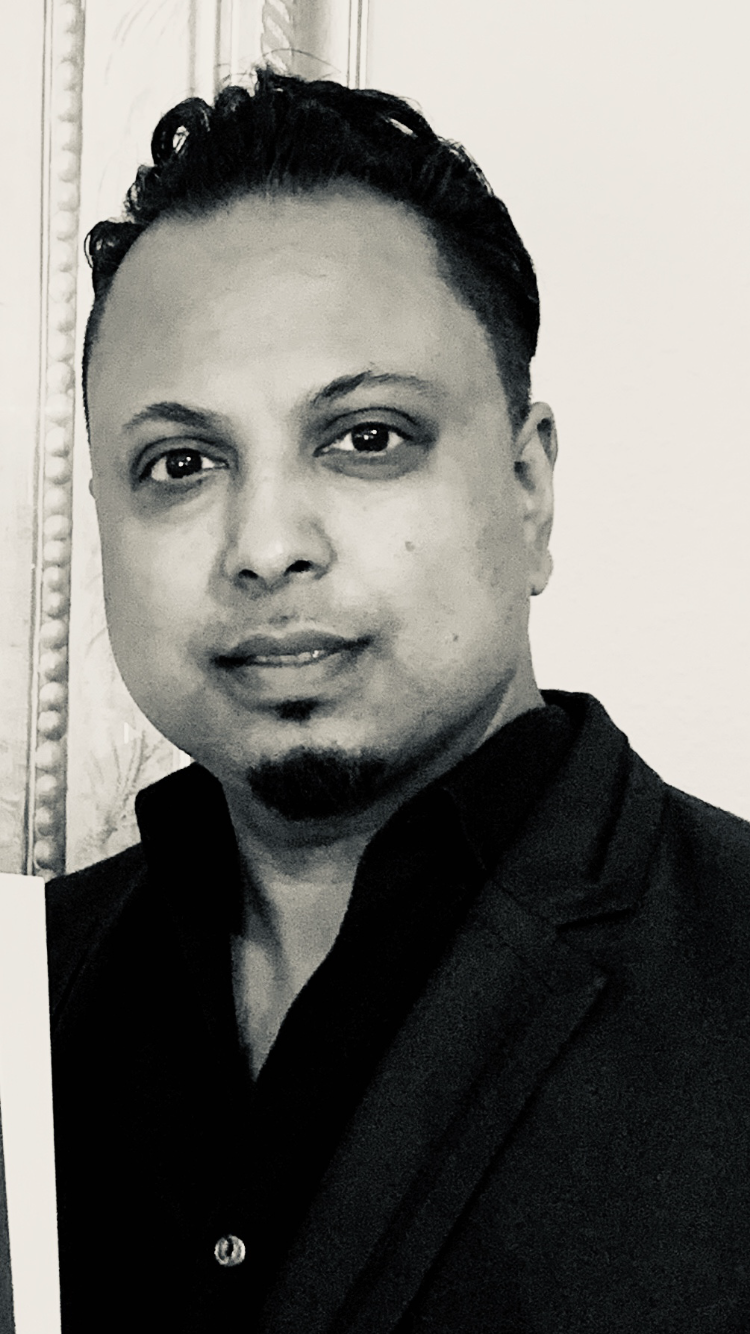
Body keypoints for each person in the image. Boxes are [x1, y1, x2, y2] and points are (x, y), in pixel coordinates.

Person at [46, 68, 750, 1333]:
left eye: (367, 437)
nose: (267, 544)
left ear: (528, 488)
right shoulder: (26, 995)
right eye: (181, 461)